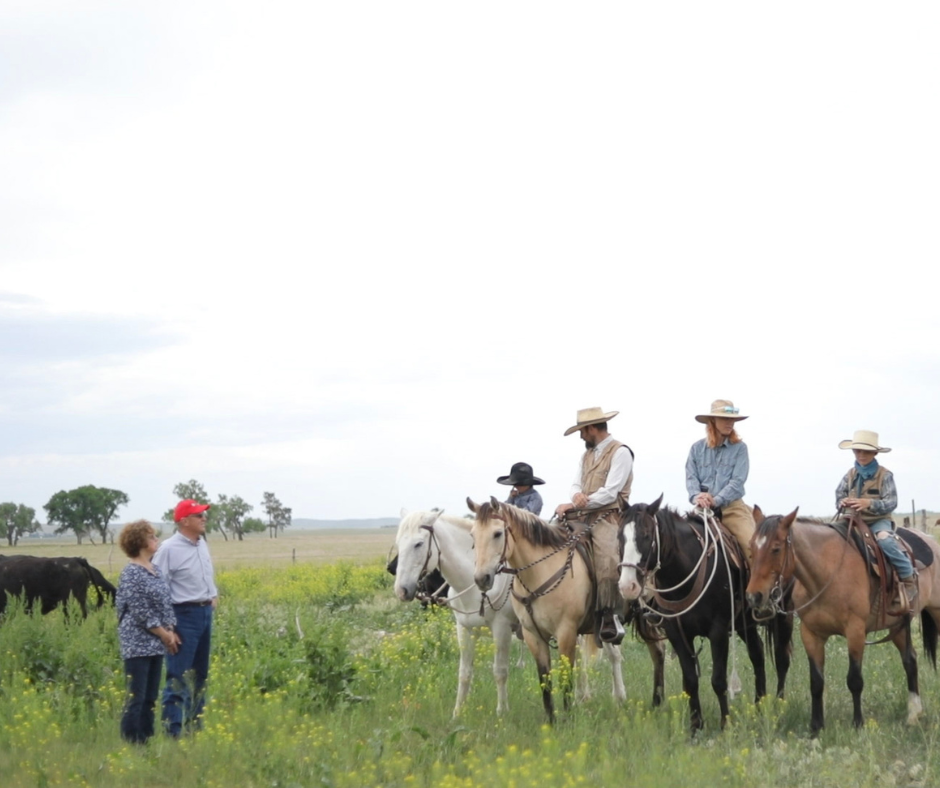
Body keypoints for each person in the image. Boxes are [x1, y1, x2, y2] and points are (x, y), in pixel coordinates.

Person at [555, 406, 634, 644]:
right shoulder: (586, 455)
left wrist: (582, 502)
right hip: (582, 514)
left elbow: (612, 493)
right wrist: (575, 497)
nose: (581, 436)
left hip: (608, 516)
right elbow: (575, 484)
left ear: (591, 429)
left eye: (582, 431)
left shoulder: (621, 452)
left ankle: (609, 615)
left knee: (608, 557)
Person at [153, 499, 219, 737]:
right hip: (182, 616)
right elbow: (157, 588)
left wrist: (212, 595)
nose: (204, 518)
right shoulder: (169, 549)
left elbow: (204, 574)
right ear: (184, 521)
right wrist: (167, 627)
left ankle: (194, 729)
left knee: (199, 676)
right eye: (199, 515)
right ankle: (173, 733)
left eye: (204, 514)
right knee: (178, 676)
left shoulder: (201, 543)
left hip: (203, 613)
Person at [116, 519, 180, 745]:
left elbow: (165, 603)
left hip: (156, 643)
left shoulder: (155, 569)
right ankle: (132, 742)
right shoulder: (131, 573)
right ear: (140, 542)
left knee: (151, 697)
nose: (156, 540)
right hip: (137, 644)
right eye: (152, 537)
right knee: (137, 697)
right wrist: (164, 634)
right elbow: (141, 611)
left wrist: (170, 630)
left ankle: (146, 739)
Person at [835, 430, 915, 606]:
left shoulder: (885, 475)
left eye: (866, 451)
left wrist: (868, 503)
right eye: (857, 451)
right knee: (830, 539)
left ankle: (909, 580)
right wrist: (843, 502)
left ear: (875, 453)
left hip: (878, 521)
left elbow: (891, 502)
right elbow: (839, 494)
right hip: (851, 519)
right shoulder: (849, 474)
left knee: (885, 542)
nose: (861, 455)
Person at [685, 399, 755, 561]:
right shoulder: (696, 449)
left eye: (732, 419)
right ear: (713, 421)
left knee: (751, 547)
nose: (730, 423)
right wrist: (697, 496)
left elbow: (737, 481)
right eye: (725, 418)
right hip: (701, 509)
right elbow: (691, 477)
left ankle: (760, 587)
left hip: (731, 509)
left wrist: (715, 500)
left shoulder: (740, 448)